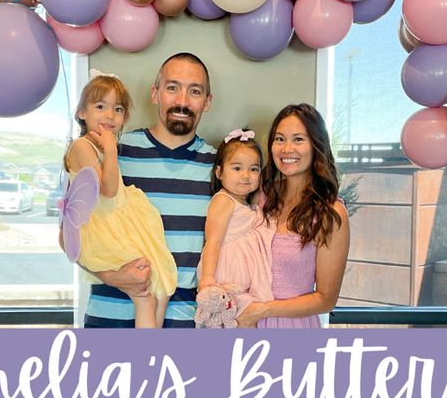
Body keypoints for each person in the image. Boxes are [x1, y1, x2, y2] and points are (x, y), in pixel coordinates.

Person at [83, 53, 216, 328]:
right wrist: (112, 276)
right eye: (172, 87)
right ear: (155, 94)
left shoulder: (222, 169)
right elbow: (70, 235)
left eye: (195, 91)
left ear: (207, 101)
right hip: (110, 319)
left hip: (185, 325)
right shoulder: (113, 153)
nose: (182, 101)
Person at [62, 72, 177, 328]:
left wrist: (109, 149)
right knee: (146, 294)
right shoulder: (82, 147)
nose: (109, 115)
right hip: (106, 227)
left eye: (117, 109)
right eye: (100, 106)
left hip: (119, 218)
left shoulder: (99, 147)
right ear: (82, 112)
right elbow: (110, 190)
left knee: (163, 286)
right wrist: (112, 149)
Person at [236, 103, 350, 328]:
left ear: (316, 146)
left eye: (298, 139)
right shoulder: (260, 198)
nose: (287, 148)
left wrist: (263, 310)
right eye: (279, 139)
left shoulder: (330, 213)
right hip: (246, 324)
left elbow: (326, 299)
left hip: (292, 328)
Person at [196, 128, 272, 322]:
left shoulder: (246, 202)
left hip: (242, 275)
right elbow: (213, 240)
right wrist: (207, 278)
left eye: (253, 169)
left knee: (239, 318)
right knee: (229, 316)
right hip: (225, 269)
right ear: (219, 172)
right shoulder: (224, 200)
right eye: (237, 168)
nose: (246, 176)